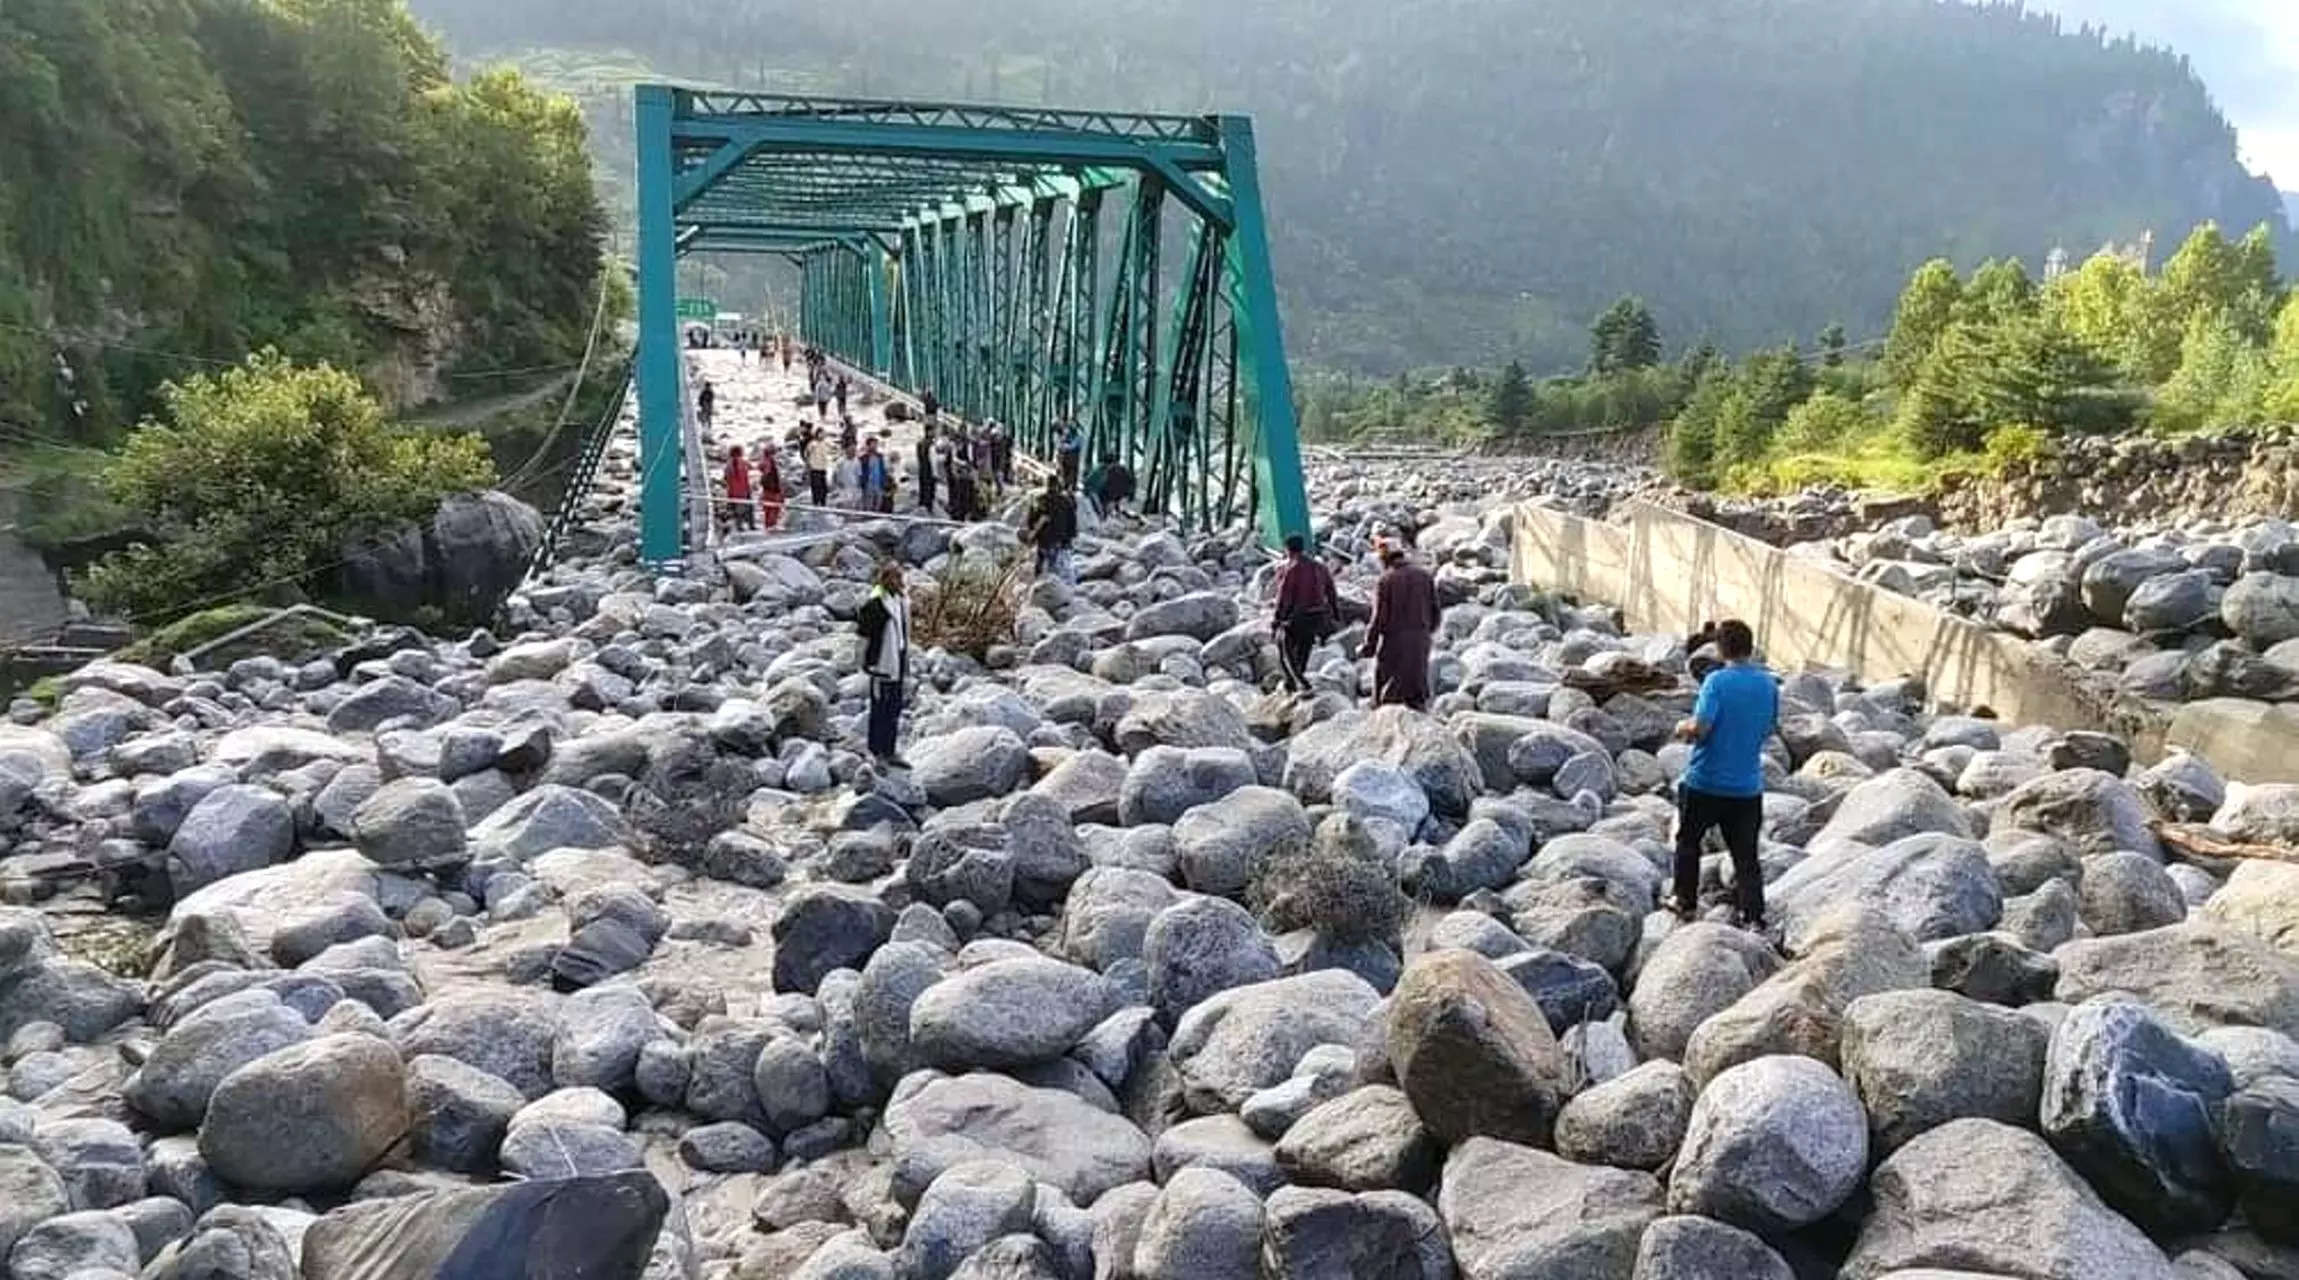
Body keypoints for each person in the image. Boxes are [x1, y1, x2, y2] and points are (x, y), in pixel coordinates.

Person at [1668, 619, 1778, 930]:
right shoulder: (1768, 684)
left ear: (1720, 648)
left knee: (1688, 840)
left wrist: (1681, 728)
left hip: (1706, 780)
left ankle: (1684, 901)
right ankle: (1754, 917)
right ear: (1750, 647)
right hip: (1746, 787)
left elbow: (1700, 727)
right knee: (1746, 857)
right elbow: (1769, 728)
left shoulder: (1716, 681)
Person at [1359, 544, 1439, 710]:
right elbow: (1435, 610)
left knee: (1385, 686)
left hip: (1395, 641)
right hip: (1421, 638)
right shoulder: (1425, 576)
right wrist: (1426, 631)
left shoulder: (1386, 580)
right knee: (1417, 682)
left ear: (1384, 561)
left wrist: (1369, 645)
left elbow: (1378, 618)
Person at [856, 562, 911, 768]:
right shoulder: (876, 604)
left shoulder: (901, 601)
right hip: (881, 666)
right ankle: (876, 752)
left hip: (897, 663)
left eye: (901, 578)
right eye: (896, 578)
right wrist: (864, 663)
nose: (900, 582)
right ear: (886, 580)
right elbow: (863, 636)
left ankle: (889, 751)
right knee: (879, 710)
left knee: (894, 709)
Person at [1272, 534, 1338, 694]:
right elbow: (1331, 590)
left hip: (1298, 616)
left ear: (1287, 550)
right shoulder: (1320, 567)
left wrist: (1276, 620)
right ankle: (1296, 681)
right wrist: (1335, 613)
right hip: (1317, 615)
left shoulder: (1292, 569)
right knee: (1304, 648)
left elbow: (1284, 597)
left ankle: (1298, 682)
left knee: (1283, 646)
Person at [1024, 474, 1077, 582]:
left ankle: (1039, 583)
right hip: (1059, 537)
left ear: (1047, 485)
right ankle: (1051, 583)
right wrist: (1069, 538)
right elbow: (1072, 521)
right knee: (1054, 564)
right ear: (1058, 486)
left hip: (1043, 538)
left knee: (1041, 560)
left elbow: (1031, 520)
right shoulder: (1066, 501)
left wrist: (1032, 535)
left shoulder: (1040, 500)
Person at [721, 443, 754, 532]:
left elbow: (725, 478)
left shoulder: (728, 465)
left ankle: (740, 526)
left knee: (737, 510)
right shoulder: (743, 462)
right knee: (748, 508)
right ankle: (750, 525)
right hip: (744, 489)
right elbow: (751, 467)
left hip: (733, 491)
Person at [858, 436, 892, 512]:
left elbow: (883, 470)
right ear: (868, 445)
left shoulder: (880, 457)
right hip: (868, 484)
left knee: (878, 504)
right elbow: (860, 472)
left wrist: (884, 482)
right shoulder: (863, 458)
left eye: (876, 444)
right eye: (873, 444)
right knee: (868, 505)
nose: (875, 446)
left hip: (879, 484)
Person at [757, 442, 785, 530]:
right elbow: (771, 476)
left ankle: (768, 526)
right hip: (772, 489)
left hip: (767, 489)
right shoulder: (770, 462)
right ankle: (771, 526)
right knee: (773, 508)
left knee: (767, 509)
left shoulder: (764, 461)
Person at [804, 427, 834, 506]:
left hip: (823, 469)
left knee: (824, 489)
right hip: (815, 469)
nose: (823, 435)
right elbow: (806, 454)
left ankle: (823, 503)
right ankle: (816, 503)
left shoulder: (825, 444)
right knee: (816, 488)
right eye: (822, 433)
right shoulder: (812, 444)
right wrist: (808, 466)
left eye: (824, 434)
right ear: (817, 434)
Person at [914, 424, 938, 515]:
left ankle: (923, 510)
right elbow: (933, 460)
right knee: (929, 493)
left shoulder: (920, 443)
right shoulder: (930, 444)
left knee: (923, 492)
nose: (934, 433)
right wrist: (935, 474)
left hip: (923, 471)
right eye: (933, 431)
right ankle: (928, 511)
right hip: (929, 472)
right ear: (929, 432)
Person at [1057, 419, 1085, 490]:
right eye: (1070, 424)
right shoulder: (1066, 433)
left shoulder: (1078, 435)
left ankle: (1071, 487)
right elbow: (1060, 444)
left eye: (1073, 424)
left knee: (1072, 473)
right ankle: (1065, 486)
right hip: (1065, 456)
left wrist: (1065, 446)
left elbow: (1075, 445)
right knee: (1064, 472)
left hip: (1073, 457)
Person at [989, 420, 1012, 486]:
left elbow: (1009, 447)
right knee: (995, 470)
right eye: (999, 428)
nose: (1000, 430)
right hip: (994, 456)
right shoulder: (992, 436)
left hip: (1002, 457)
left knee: (1000, 470)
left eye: (1001, 428)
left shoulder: (1006, 437)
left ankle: (1001, 484)